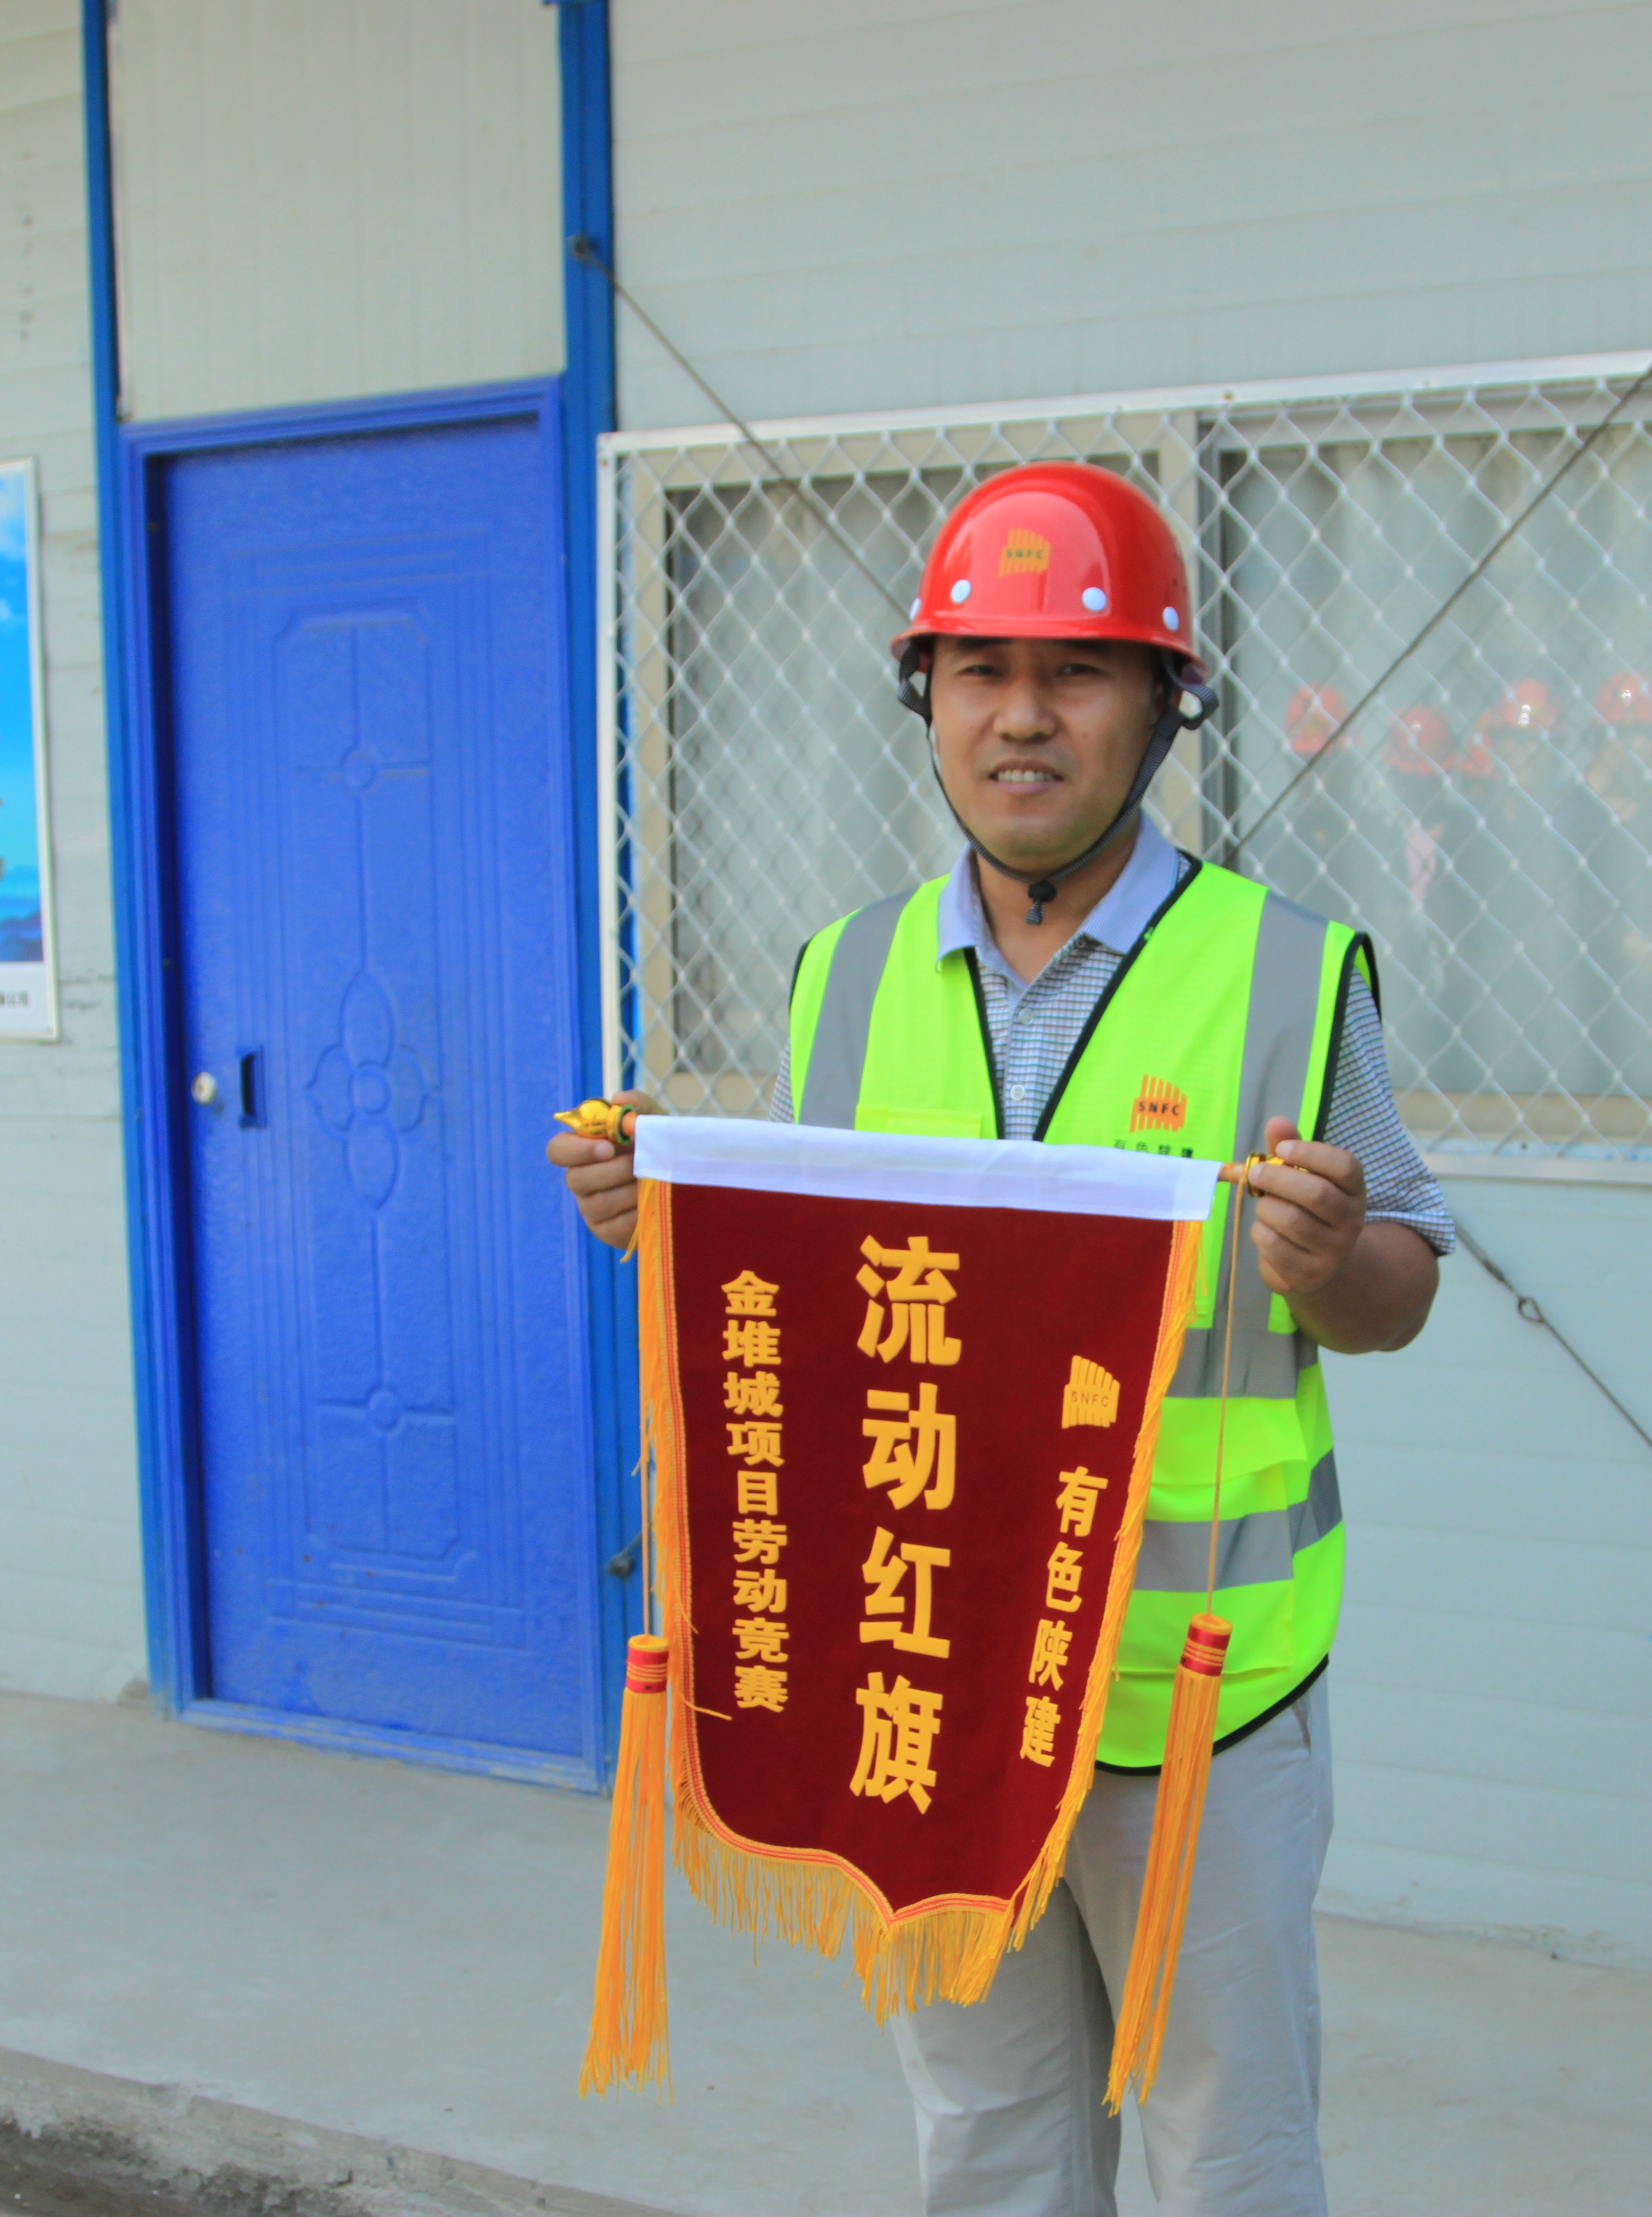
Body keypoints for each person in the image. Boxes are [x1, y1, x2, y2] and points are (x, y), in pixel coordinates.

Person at [549, 462, 1450, 2217]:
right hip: (933, 1683)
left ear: (1164, 705)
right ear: (929, 701)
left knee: (1228, 2153)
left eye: (1077, 671)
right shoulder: (844, 974)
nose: (1022, 716)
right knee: (987, 2139)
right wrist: (672, 1212)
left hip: (1191, 1701)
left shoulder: (1287, 973)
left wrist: (1336, 1258)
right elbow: (833, 1303)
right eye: (979, 671)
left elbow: (1399, 1288)